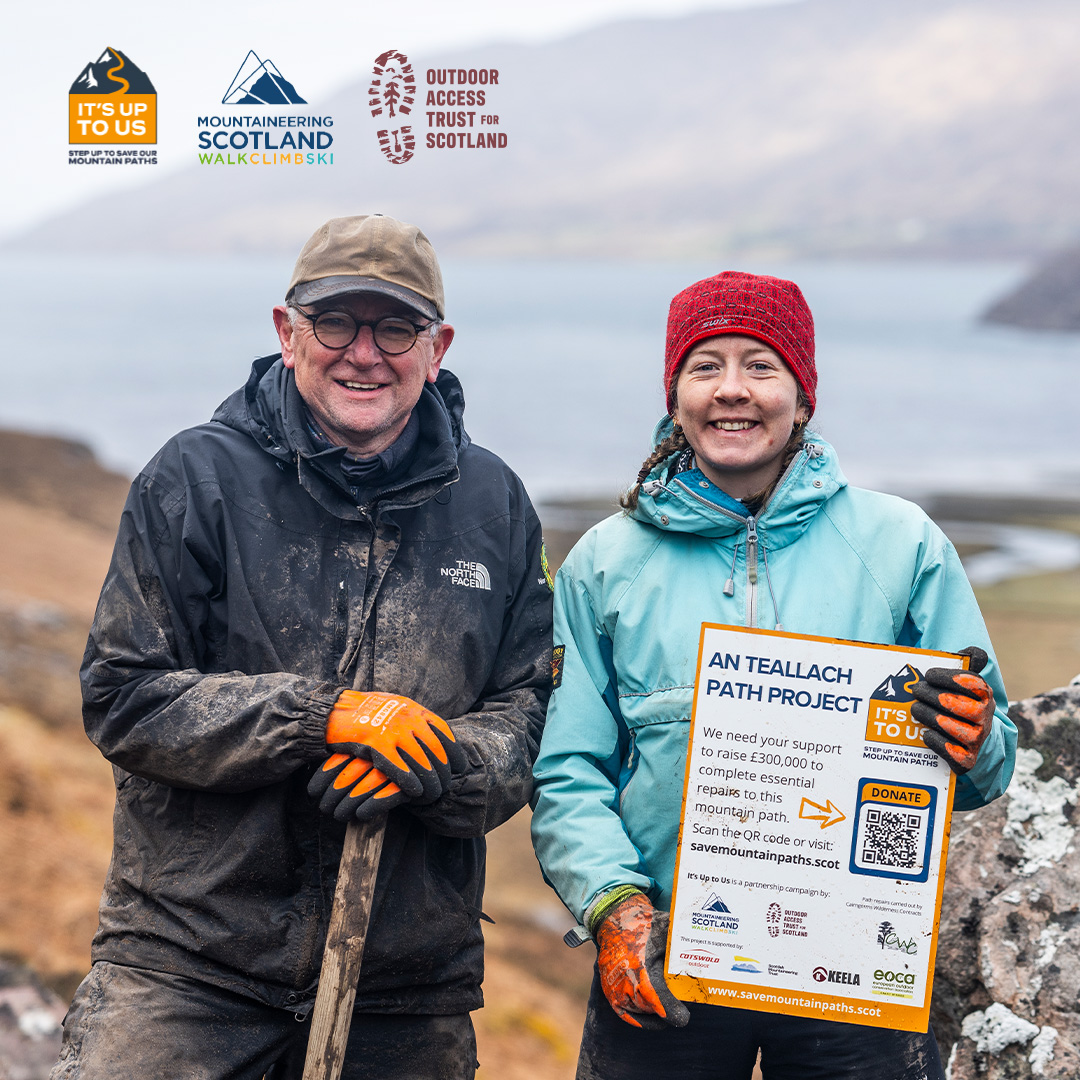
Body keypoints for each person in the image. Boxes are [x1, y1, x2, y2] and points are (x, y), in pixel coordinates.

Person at [53, 214, 553, 1080]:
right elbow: (124, 697)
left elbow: (530, 714)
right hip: (188, 967)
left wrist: (436, 759)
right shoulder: (194, 480)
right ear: (288, 334)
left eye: (396, 327)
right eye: (336, 323)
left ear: (438, 348)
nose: (365, 352)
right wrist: (328, 717)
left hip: (406, 990)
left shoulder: (496, 506)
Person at [530, 271, 1016, 1080]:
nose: (732, 391)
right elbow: (567, 767)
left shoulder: (904, 544)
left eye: (760, 365)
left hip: (857, 962)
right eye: (704, 366)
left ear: (803, 392)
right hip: (662, 957)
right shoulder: (604, 565)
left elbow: (985, 759)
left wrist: (974, 742)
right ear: (674, 393)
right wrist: (611, 902)